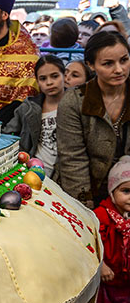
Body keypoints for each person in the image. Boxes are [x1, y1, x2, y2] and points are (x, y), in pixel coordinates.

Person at [56, 31, 130, 208]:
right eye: (108, 63)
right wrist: (85, 206)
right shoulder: (74, 101)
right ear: (91, 65)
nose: (119, 69)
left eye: (124, 60)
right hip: (87, 190)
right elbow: (73, 159)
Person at [88, 156, 130, 303]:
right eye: (126, 191)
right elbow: (90, 243)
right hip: (107, 284)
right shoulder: (101, 216)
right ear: (112, 191)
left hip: (126, 284)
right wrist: (102, 265)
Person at [3, 55, 65, 178]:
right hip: (33, 172)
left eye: (55, 76)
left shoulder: (77, 106)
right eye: (43, 78)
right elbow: (7, 134)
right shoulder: (28, 108)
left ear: (65, 75)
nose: (49, 82)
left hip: (65, 174)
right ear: (37, 81)